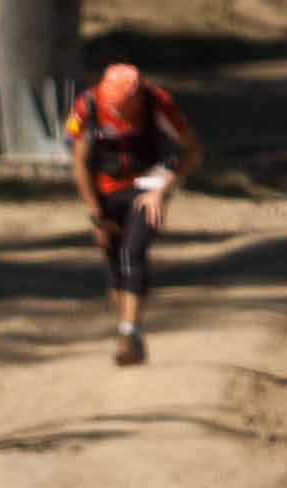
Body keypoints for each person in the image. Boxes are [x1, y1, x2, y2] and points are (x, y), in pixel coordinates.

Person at [66, 62, 202, 367]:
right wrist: (95, 214)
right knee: (116, 268)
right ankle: (128, 327)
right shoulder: (87, 106)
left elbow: (192, 150)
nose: (116, 112)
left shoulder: (159, 103)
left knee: (133, 253)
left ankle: (130, 333)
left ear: (138, 97)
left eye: (122, 106)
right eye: (111, 105)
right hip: (105, 193)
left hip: (147, 189)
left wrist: (162, 189)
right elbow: (79, 164)